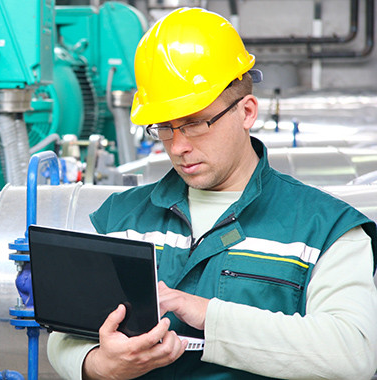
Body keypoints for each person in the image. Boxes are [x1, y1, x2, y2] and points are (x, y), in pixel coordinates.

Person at [47, 7, 377, 380]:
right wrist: (100, 365)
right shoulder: (121, 218)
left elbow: (354, 352)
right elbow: (68, 334)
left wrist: (207, 314)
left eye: (195, 123)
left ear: (247, 111)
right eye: (165, 128)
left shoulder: (326, 228)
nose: (178, 146)